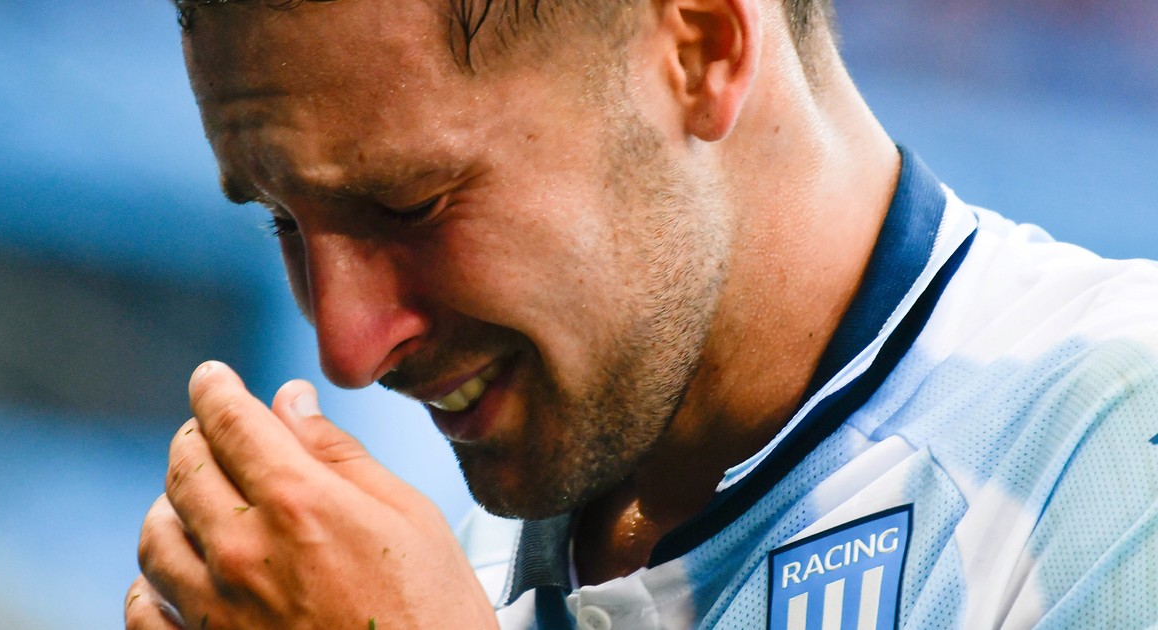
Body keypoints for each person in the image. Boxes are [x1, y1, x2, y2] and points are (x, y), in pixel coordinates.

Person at [125, 0, 1158, 627]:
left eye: (412, 206)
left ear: (701, 51)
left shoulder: (1111, 456)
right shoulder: (442, 581)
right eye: (284, 222)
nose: (346, 347)